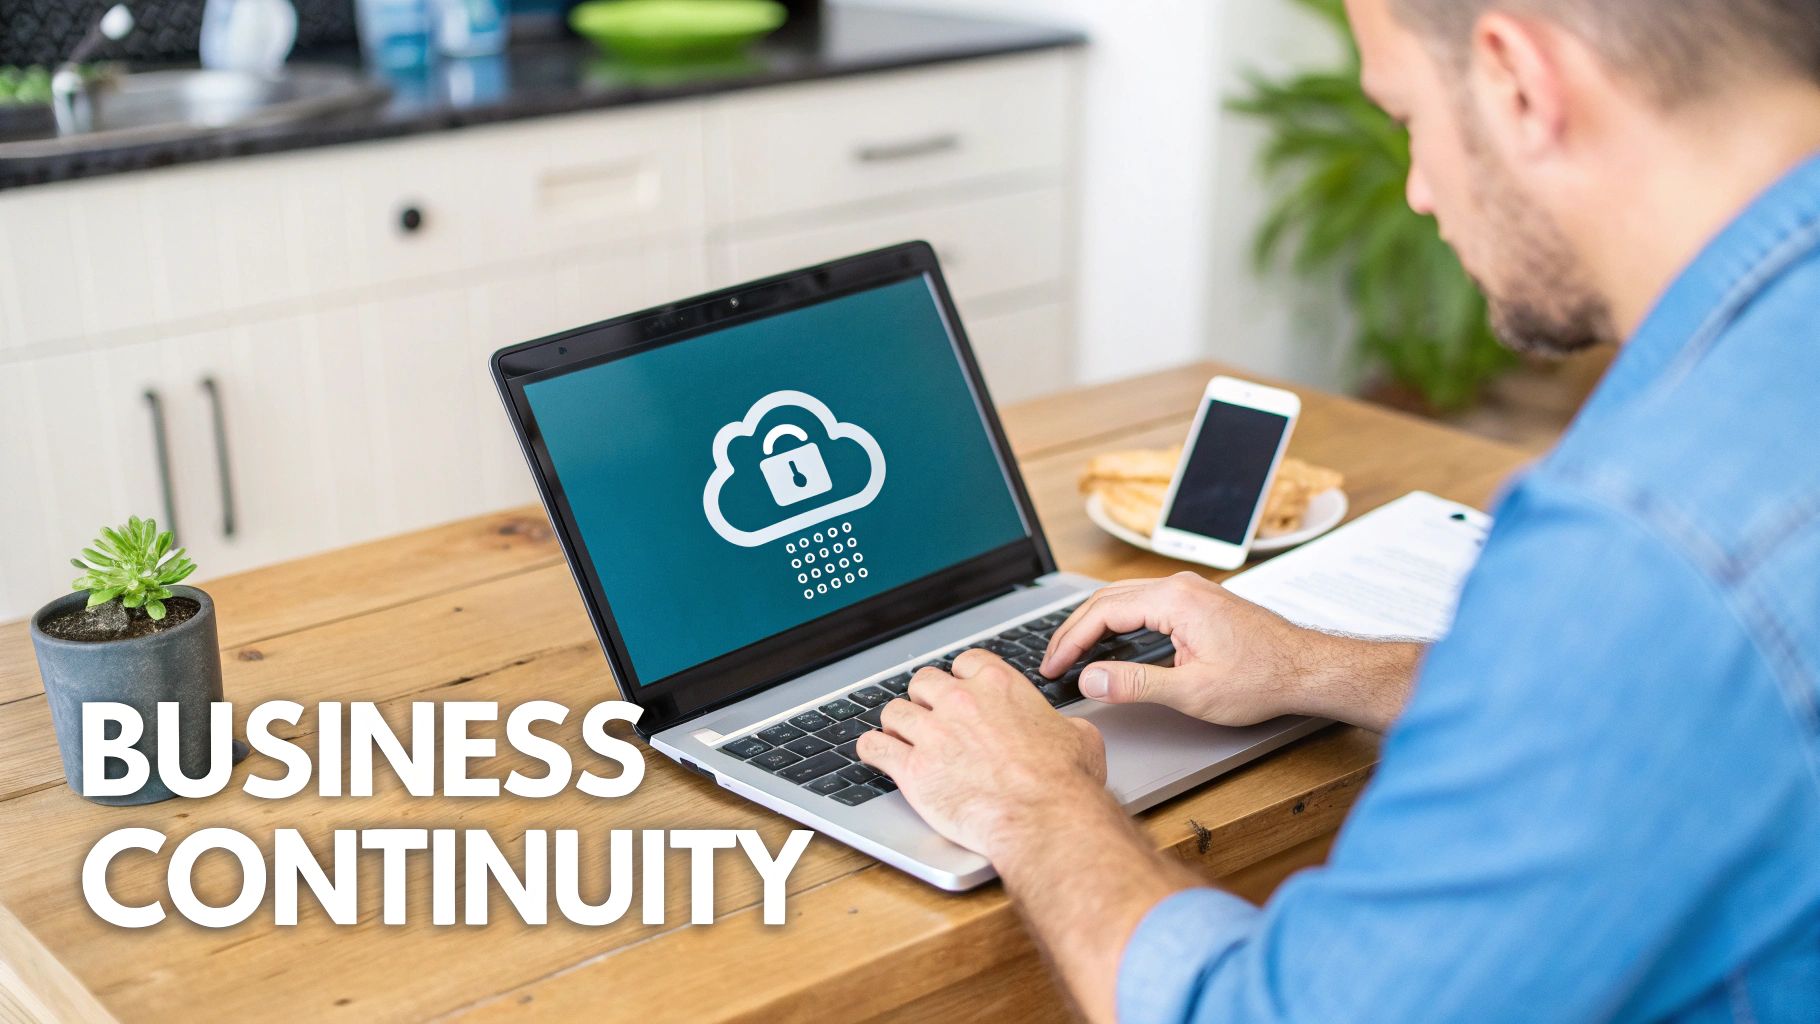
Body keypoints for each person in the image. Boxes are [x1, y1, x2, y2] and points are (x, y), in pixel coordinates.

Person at [854, 0, 1820, 1019]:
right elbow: (1684, 692)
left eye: (1405, 117)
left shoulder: (1636, 542)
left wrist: (1032, 802)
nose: (1414, 188)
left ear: (1515, 82)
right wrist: (1315, 666)